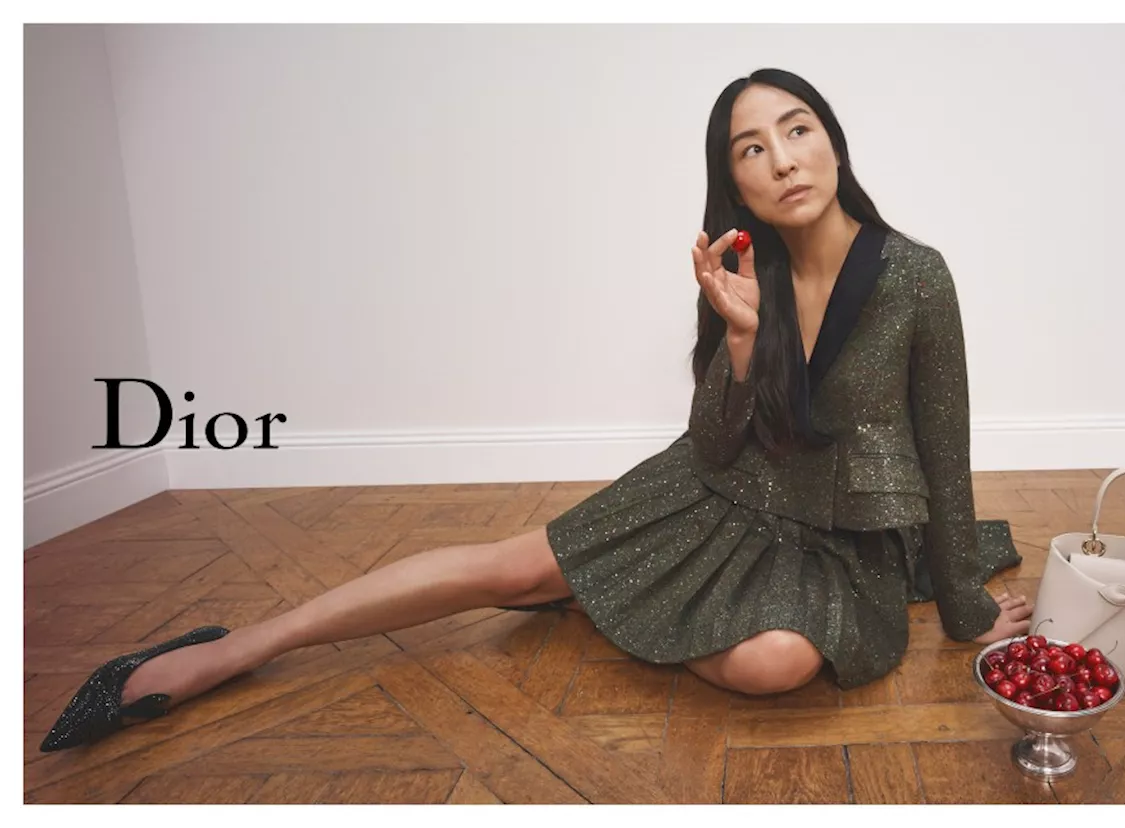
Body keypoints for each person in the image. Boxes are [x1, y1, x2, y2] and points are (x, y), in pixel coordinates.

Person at [39, 68, 1032, 753]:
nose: (781, 158)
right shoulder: (744, 273)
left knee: (777, 664)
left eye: (798, 129)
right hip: (715, 496)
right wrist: (738, 342)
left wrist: (965, 610)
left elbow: (945, 456)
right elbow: (711, 444)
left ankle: (601, 600)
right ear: (731, 181)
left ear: (833, 140)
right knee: (499, 569)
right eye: (751, 147)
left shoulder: (916, 277)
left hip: (833, 546)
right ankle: (229, 650)